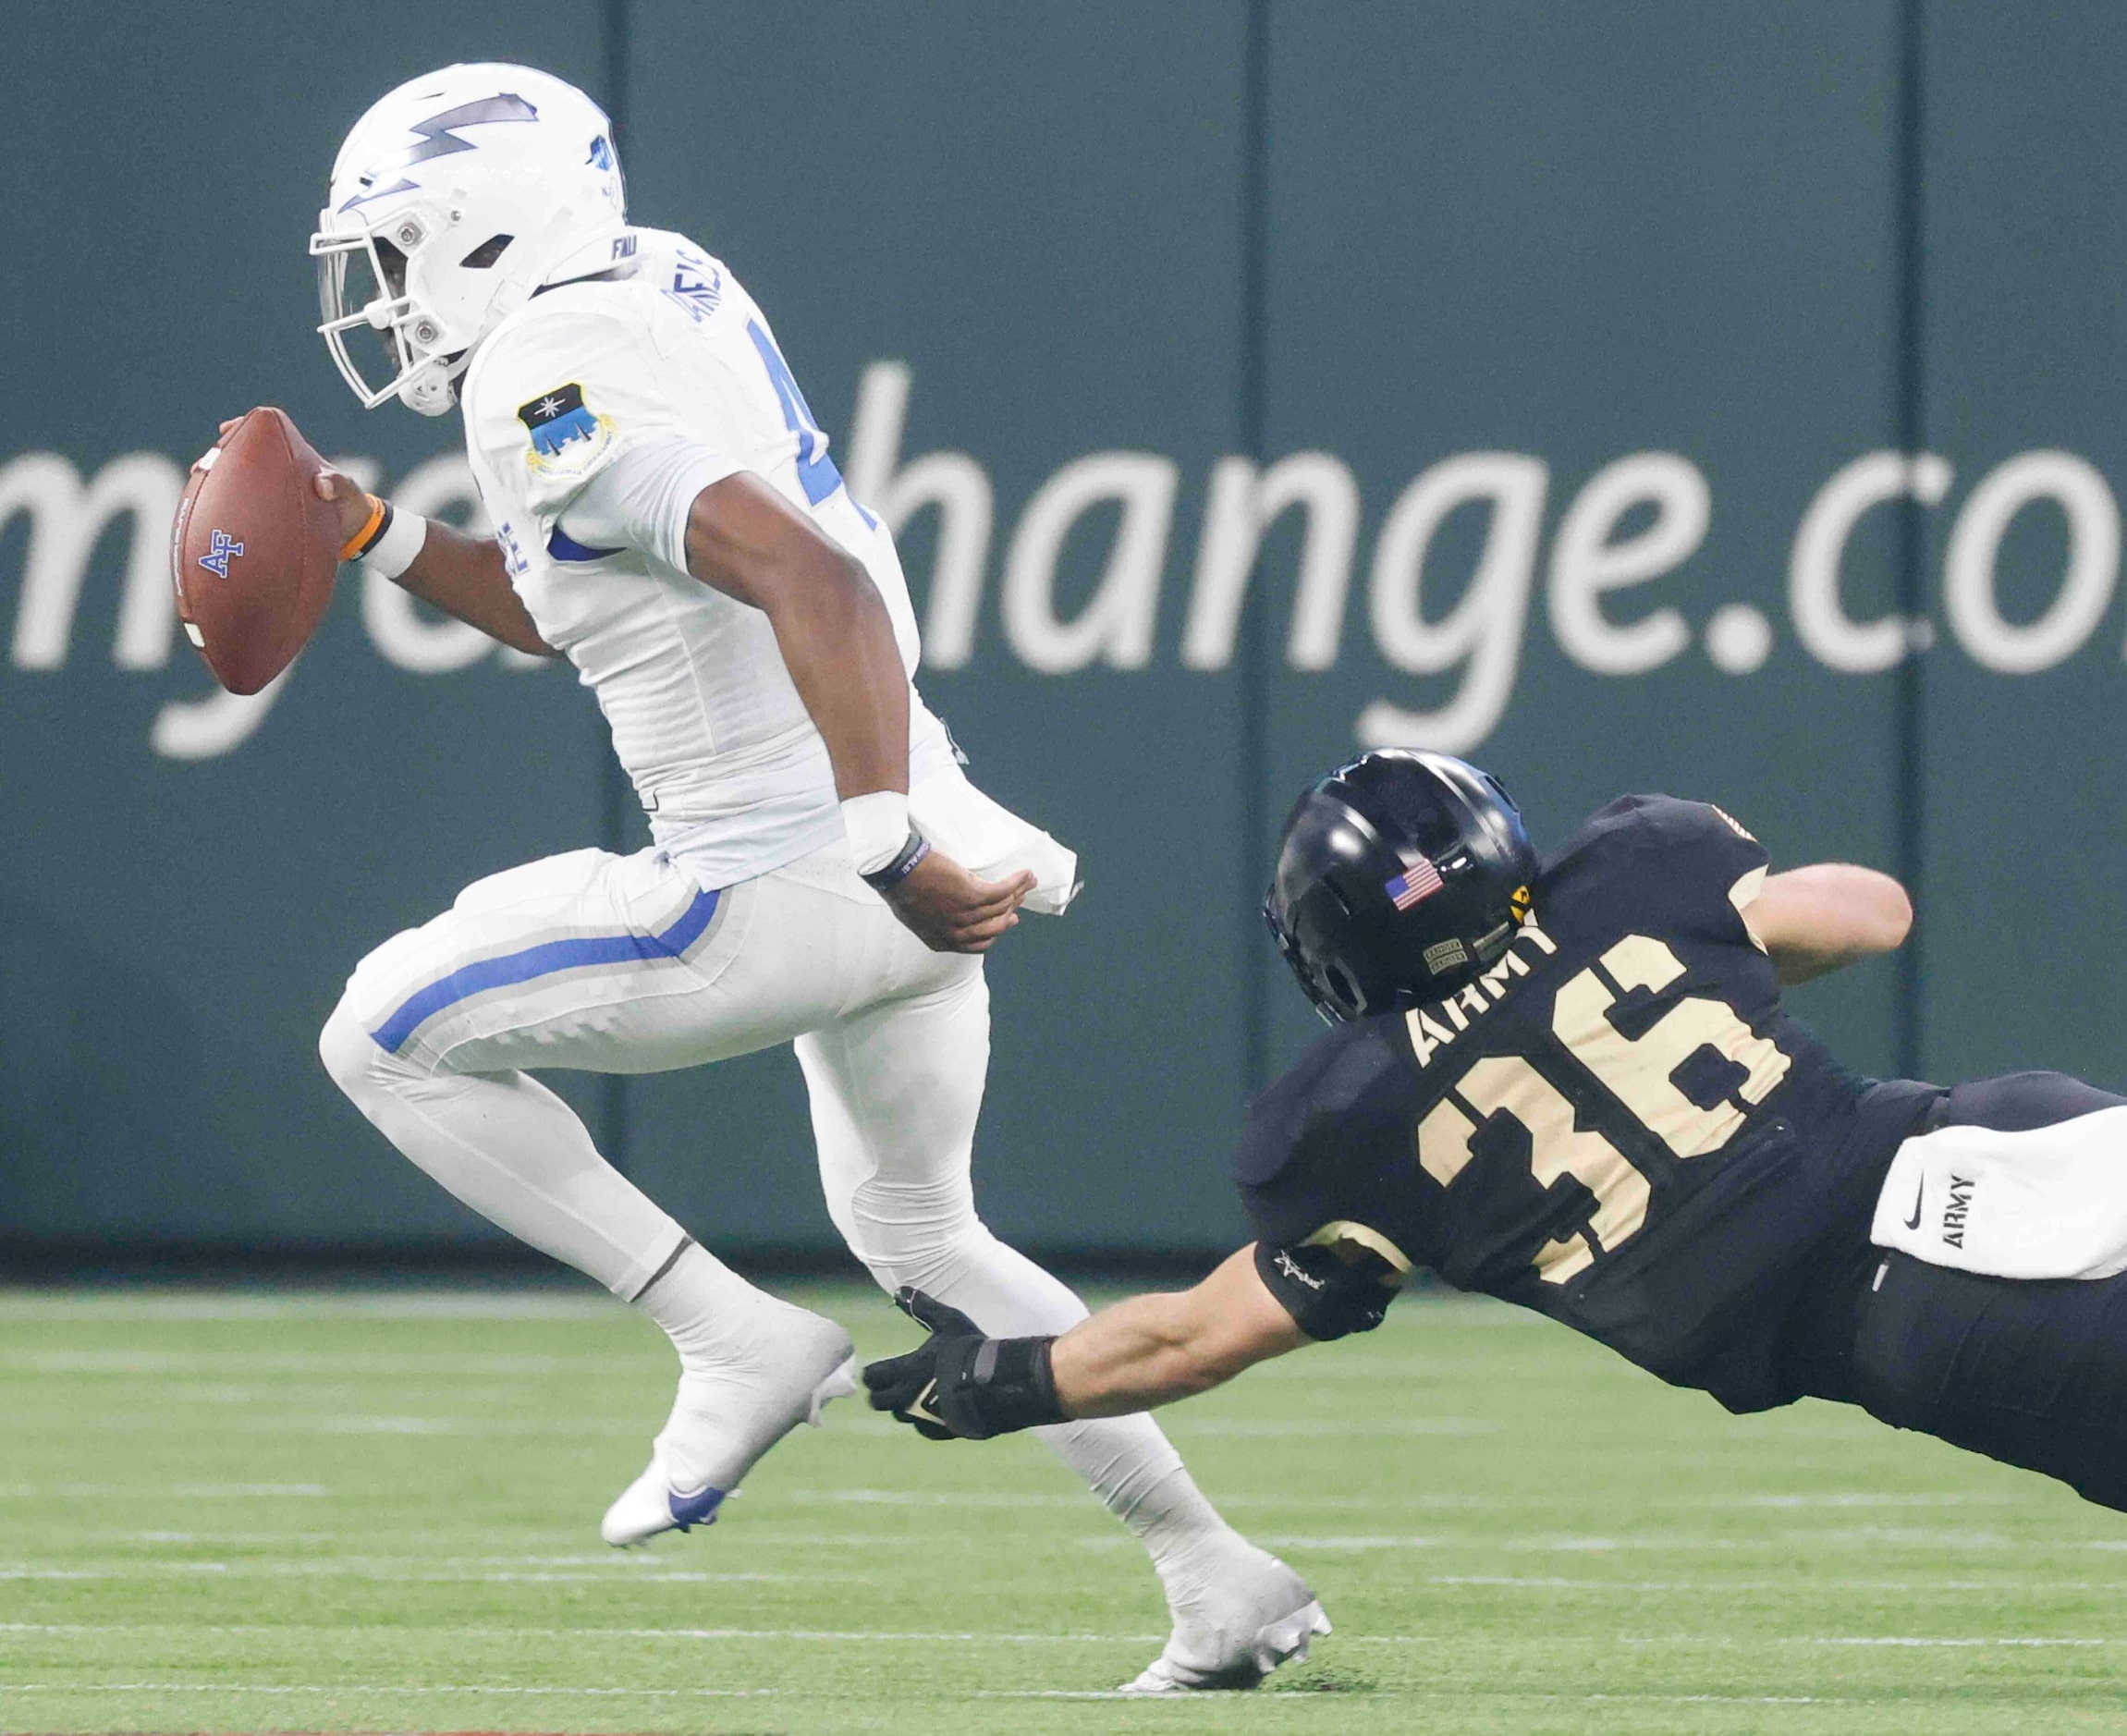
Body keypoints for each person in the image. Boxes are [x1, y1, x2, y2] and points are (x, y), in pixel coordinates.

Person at [289, 62, 1326, 1693]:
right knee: (919, 1225)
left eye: (399, 247)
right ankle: (1215, 1570)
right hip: (910, 827)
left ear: (490, 227)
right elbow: (583, 600)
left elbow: (809, 577)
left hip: (793, 875)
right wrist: (373, 536)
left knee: (378, 1032)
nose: (383, 292)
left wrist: (876, 845)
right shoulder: (651, 279)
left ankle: (726, 1329)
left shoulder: (545, 371)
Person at [867, 748, 2127, 1528]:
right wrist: (1718, 942)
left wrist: (998, 1384)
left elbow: (1195, 1337)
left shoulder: (1356, 1120)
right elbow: (1875, 913)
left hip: (1915, 1317)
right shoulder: (1635, 872)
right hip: (1990, 1146)